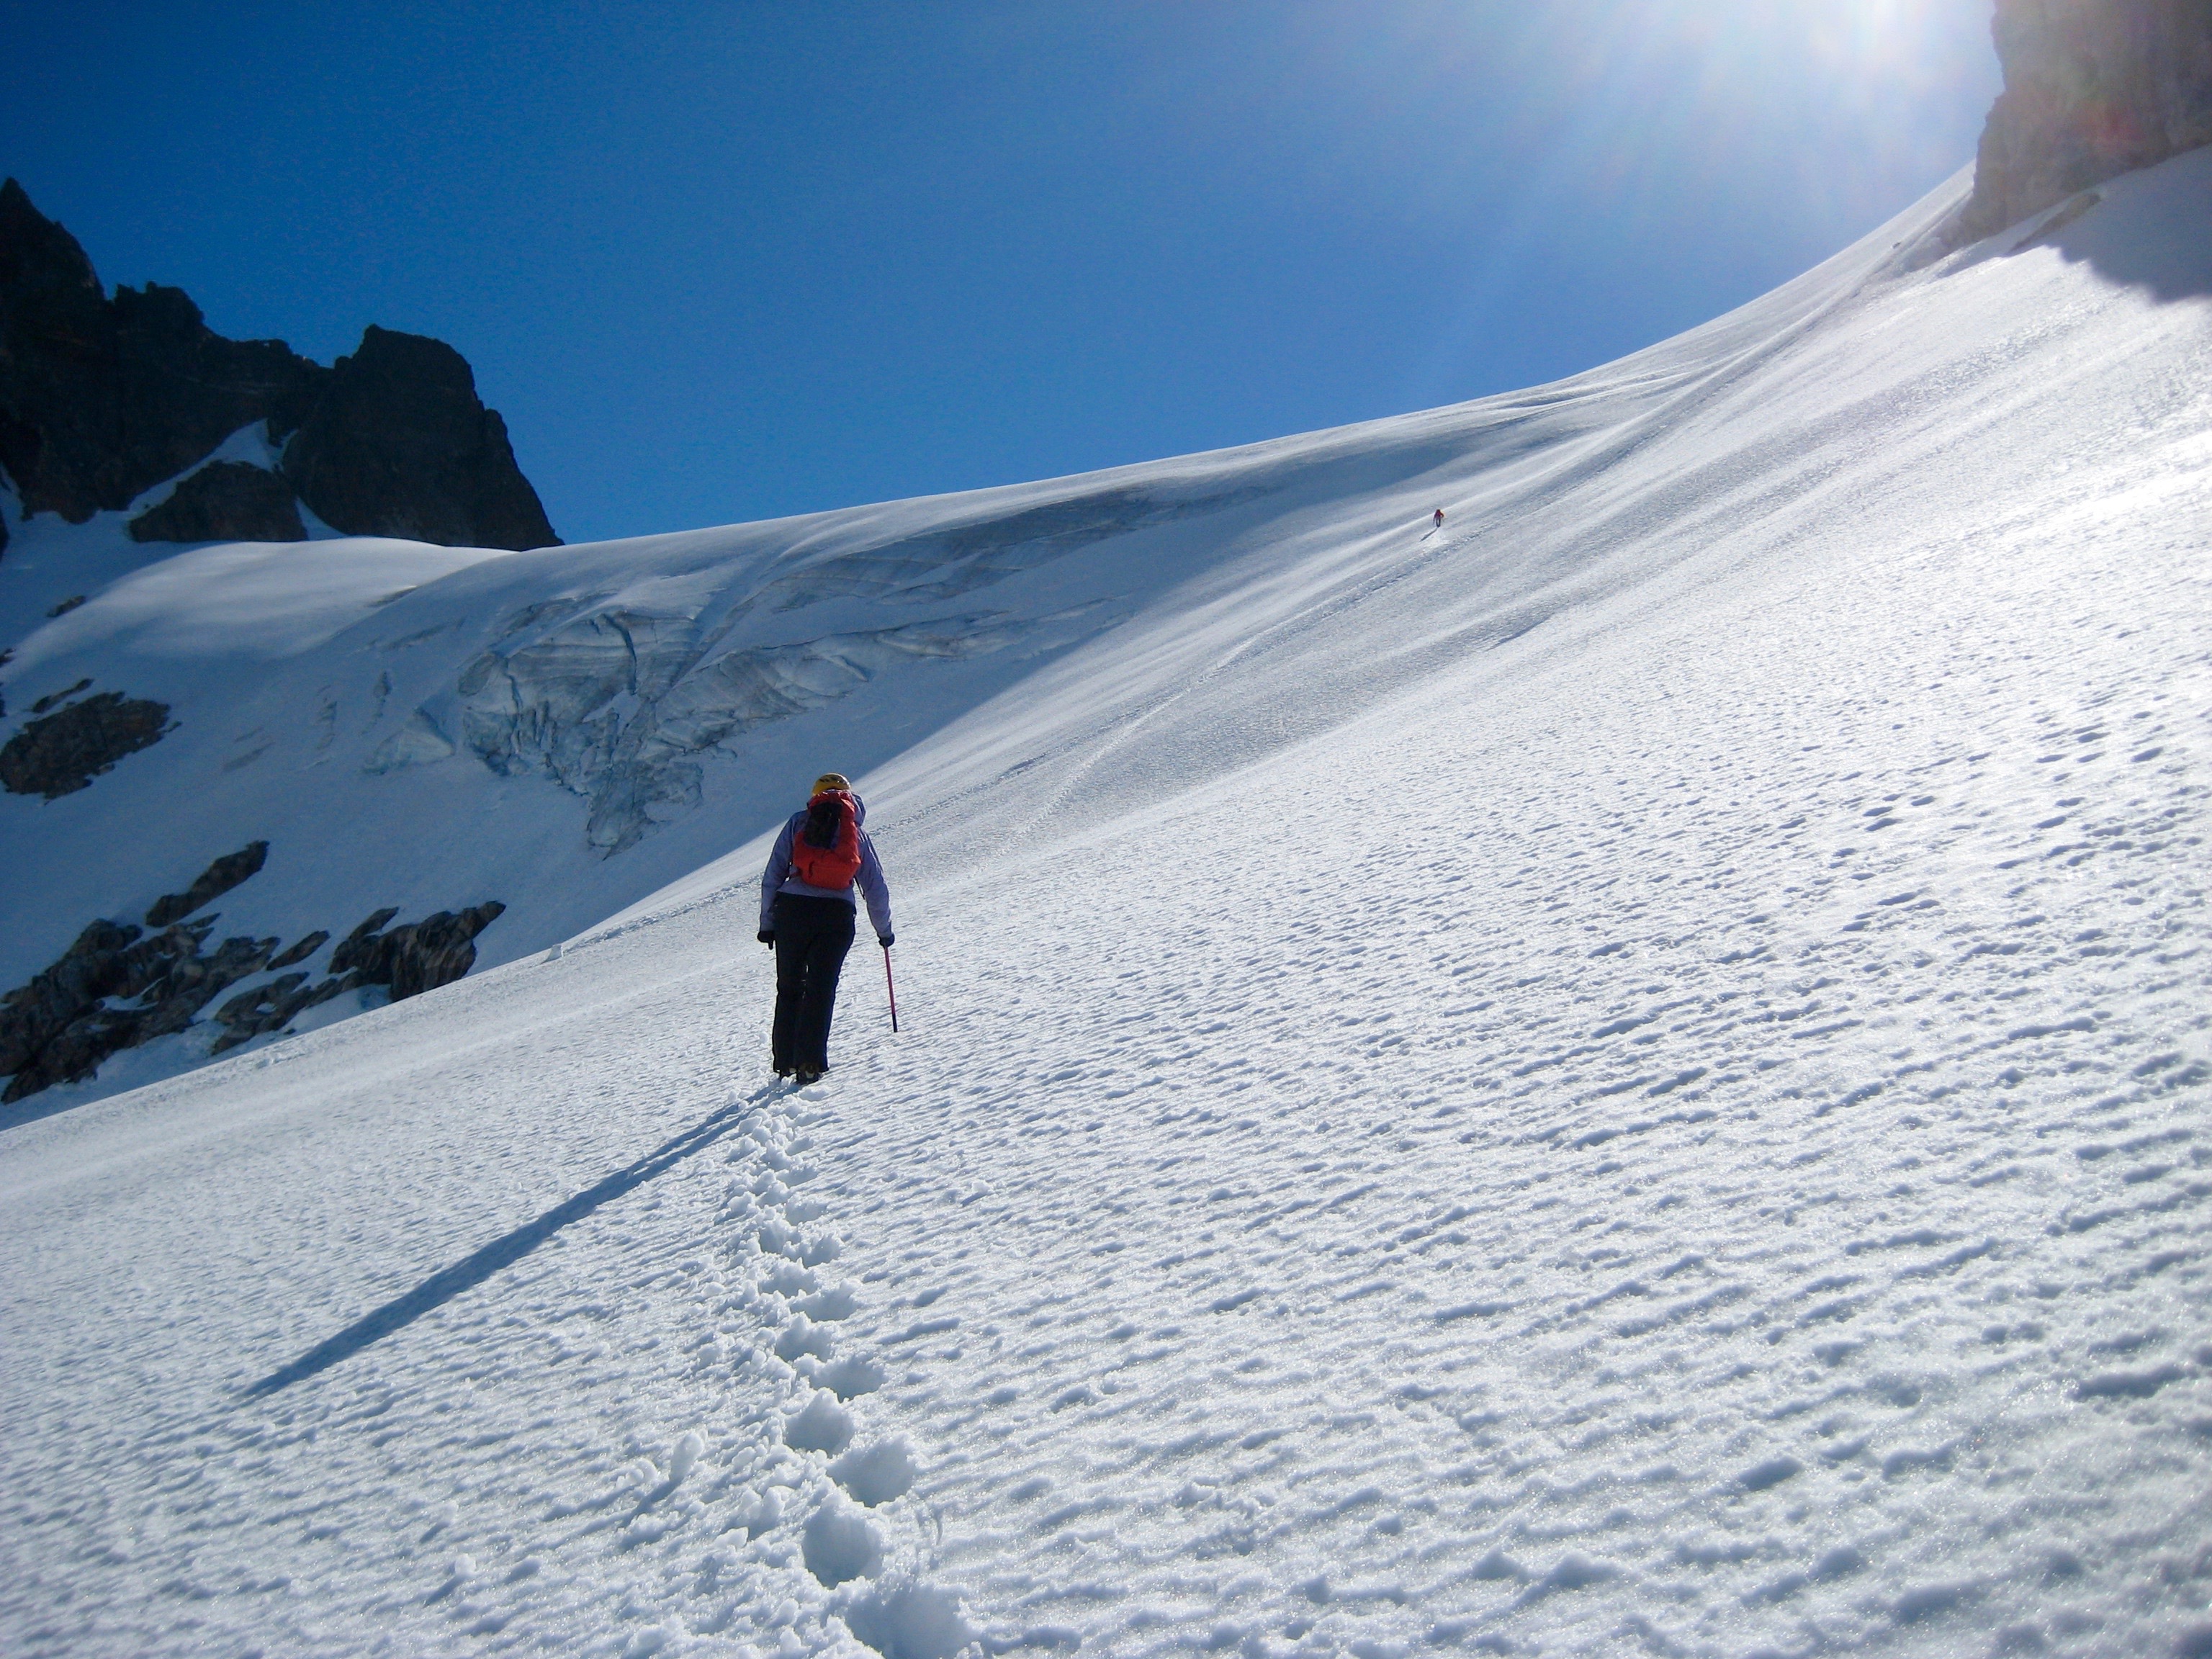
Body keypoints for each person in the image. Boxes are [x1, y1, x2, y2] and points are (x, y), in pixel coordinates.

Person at [758, 773, 894, 1084]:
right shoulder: (856, 832)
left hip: (792, 911)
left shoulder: (798, 823)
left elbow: (774, 873)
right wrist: (883, 931)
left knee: (790, 986)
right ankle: (810, 1063)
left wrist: (767, 924)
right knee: (821, 988)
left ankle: (784, 1063)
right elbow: (875, 887)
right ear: (850, 798)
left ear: (815, 795)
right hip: (836, 915)